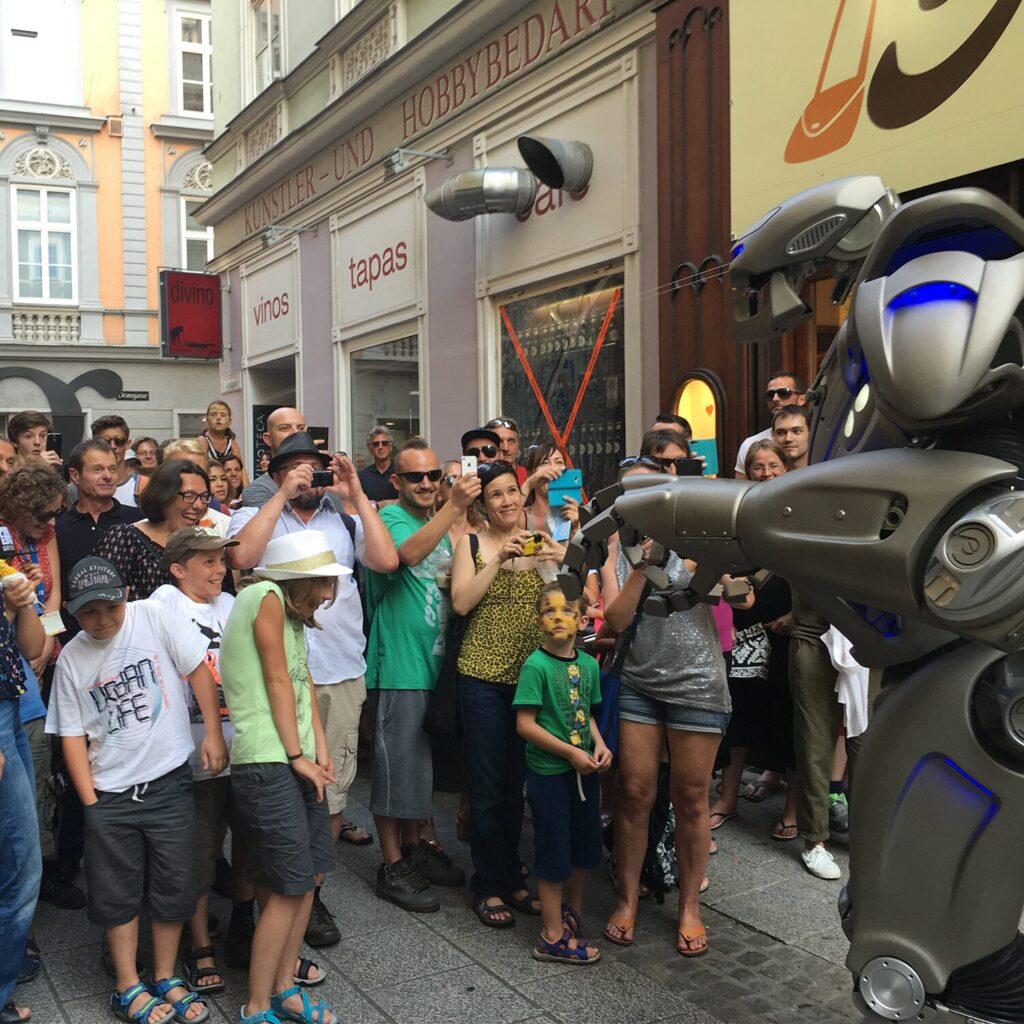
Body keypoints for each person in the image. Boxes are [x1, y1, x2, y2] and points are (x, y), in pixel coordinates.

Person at [229, 431, 399, 945]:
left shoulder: (343, 517)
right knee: (266, 805)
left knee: (330, 788)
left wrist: (356, 495)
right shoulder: (255, 510)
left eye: (316, 467)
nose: (310, 477)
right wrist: (281, 495)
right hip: (273, 681)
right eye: (297, 467)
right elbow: (240, 558)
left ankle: (311, 895)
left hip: (340, 669)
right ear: (276, 472)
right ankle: (246, 908)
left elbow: (386, 562)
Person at [45, 555, 227, 1024]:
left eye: (109, 607)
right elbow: (71, 735)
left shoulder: (152, 615)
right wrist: (90, 803)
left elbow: (198, 670)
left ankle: (166, 975)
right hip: (110, 792)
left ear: (125, 593)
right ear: (72, 611)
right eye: (88, 613)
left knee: (173, 885)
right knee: (116, 892)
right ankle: (127, 982)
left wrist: (210, 732)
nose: (102, 621)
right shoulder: (72, 660)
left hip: (167, 783)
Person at [601, 457, 730, 958]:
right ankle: (628, 900)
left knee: (692, 797)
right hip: (639, 681)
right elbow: (614, 617)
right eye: (628, 497)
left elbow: (740, 595)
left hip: (698, 682)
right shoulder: (620, 548)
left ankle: (690, 909)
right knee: (634, 793)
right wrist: (644, 563)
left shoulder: (702, 541)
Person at [220, 531, 345, 1024]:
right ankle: (255, 1006)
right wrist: (297, 753)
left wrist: (319, 748)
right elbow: (274, 677)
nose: (328, 594)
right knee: (291, 885)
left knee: (310, 877)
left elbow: (301, 681)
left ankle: (284, 987)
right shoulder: (263, 594)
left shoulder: (292, 614)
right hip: (267, 759)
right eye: (323, 583)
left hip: (297, 756)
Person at [363, 439, 479, 912]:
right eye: (416, 477)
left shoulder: (446, 520)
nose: (428, 484)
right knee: (396, 771)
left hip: (439, 669)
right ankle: (392, 863)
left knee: (420, 772)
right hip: (401, 666)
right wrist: (453, 508)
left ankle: (415, 850)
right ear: (397, 481)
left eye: (435, 475)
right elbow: (406, 556)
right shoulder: (390, 518)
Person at [451, 459, 564, 927]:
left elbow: (561, 606)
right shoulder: (472, 544)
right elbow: (460, 602)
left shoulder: (539, 545)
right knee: (487, 787)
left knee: (518, 785)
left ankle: (513, 875)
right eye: (495, 494)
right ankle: (488, 883)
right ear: (482, 503)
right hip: (480, 677)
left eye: (513, 491)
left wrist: (558, 561)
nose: (507, 500)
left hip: (528, 683)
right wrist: (499, 559)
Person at [150, 526, 245, 996]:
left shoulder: (231, 605)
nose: (218, 569)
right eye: (206, 561)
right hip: (194, 757)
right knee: (201, 854)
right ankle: (200, 941)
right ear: (177, 569)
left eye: (221, 560)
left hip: (244, 749)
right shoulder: (165, 603)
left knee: (247, 847)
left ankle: (245, 928)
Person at [514, 582, 609, 965]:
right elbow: (525, 724)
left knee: (584, 846)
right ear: (539, 621)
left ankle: (572, 912)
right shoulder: (536, 665)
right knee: (553, 851)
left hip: (584, 772)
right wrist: (570, 752)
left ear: (583, 619)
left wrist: (598, 744)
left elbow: (587, 715)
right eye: (550, 612)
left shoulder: (588, 665)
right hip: (551, 773)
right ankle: (551, 935)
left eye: (566, 611)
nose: (558, 618)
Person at [709, 440, 799, 839]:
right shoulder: (738, 514)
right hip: (744, 632)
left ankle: (794, 811)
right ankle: (727, 798)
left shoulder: (802, 511)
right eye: (757, 466)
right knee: (739, 716)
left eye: (773, 465)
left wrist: (799, 615)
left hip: (791, 632)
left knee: (790, 720)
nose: (765, 473)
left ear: (786, 468)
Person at [0, 562, 47, 1024]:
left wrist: (19, 604)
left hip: (13, 708)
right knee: (22, 867)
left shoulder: (2, 564)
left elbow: (32, 647)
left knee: (15, 861)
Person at [56, 440, 145, 639]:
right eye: (97, 469)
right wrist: (52, 638)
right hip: (74, 645)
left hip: (133, 642)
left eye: (112, 469)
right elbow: (52, 595)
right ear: (75, 475)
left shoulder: (139, 521)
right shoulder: (57, 528)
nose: (107, 476)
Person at [94, 460, 214, 601]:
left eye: (204, 497)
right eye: (189, 496)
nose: (199, 505)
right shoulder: (125, 538)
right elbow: (102, 601)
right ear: (164, 495)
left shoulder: (208, 543)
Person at [734, 372, 807, 479]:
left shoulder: (821, 444)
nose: (775, 398)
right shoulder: (750, 445)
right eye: (770, 395)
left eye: (784, 393)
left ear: (802, 399)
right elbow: (741, 491)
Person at [241, 408, 318, 508]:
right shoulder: (257, 489)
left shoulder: (324, 478)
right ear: (268, 439)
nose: (295, 433)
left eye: (301, 428)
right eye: (285, 428)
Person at [521, 441, 580, 544]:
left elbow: (586, 559)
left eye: (559, 462)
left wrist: (575, 529)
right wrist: (528, 484)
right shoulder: (521, 516)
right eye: (544, 463)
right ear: (530, 475)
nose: (553, 468)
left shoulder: (577, 515)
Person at [91, 416, 139, 507]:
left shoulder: (144, 487)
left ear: (128, 444)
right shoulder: (81, 488)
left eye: (119, 440)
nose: (113, 446)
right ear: (95, 445)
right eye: (106, 441)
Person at [199, 401, 247, 485]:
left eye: (223, 415)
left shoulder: (232, 443)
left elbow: (241, 469)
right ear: (207, 420)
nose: (218, 418)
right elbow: (201, 468)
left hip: (229, 486)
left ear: (229, 421)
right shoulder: (203, 440)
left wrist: (246, 490)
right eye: (213, 414)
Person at [357, 426, 398, 505]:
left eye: (384, 443)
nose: (380, 447)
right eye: (376, 444)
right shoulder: (362, 476)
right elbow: (359, 504)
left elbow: (409, 501)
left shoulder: (400, 472)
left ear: (391, 447)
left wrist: (380, 504)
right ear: (370, 448)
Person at [484, 417, 528, 485]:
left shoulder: (529, 477)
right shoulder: (479, 479)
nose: (505, 448)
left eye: (511, 441)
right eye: (500, 442)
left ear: (518, 445)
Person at [772, 404, 811, 470]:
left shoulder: (827, 473)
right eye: (781, 433)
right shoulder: (768, 476)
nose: (788, 439)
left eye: (796, 431)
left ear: (811, 433)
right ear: (773, 437)